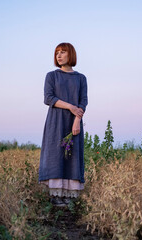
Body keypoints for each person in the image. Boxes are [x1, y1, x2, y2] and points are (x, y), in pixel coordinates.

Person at [39, 42, 88, 207]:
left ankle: (69, 195)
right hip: (56, 121)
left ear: (71, 55)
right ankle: (55, 195)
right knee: (55, 154)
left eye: (63, 52)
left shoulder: (81, 78)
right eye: (57, 53)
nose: (59, 55)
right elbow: (48, 98)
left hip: (73, 122)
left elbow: (83, 101)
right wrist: (70, 107)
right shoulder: (51, 76)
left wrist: (77, 120)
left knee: (72, 154)